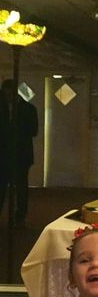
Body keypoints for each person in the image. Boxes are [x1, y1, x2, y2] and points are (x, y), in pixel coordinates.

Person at [0, 79, 39, 227]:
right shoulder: (3, 108)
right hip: (4, 153)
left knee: (21, 186)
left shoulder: (28, 109)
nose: (7, 97)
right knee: (2, 185)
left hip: (21, 154)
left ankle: (20, 216)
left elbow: (34, 130)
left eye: (9, 94)